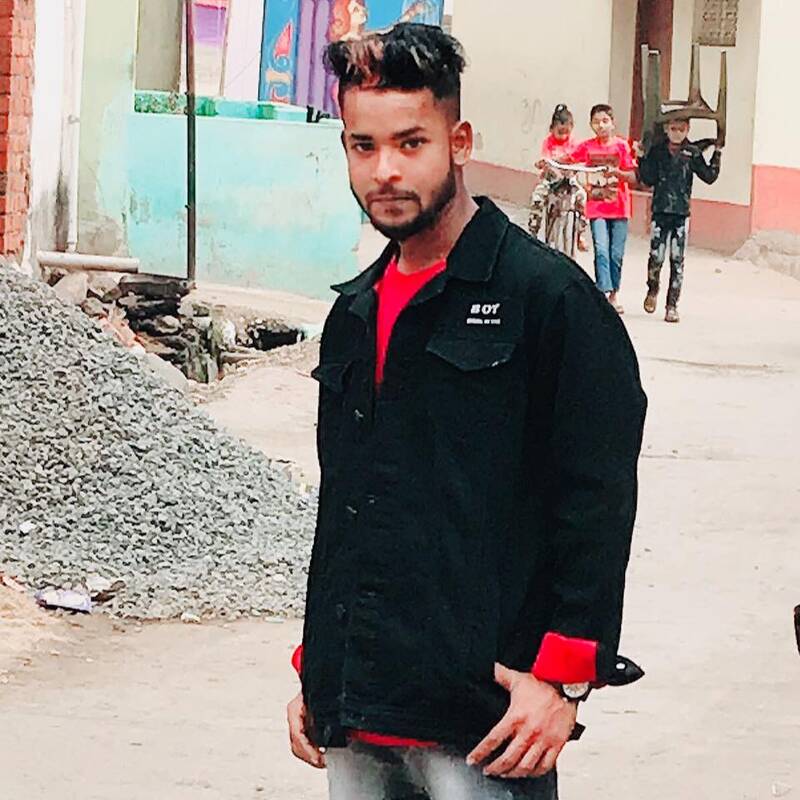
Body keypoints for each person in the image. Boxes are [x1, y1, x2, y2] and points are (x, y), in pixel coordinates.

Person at [287, 23, 647, 800]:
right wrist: (318, 665)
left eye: (410, 143)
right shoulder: (354, 313)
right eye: (363, 146)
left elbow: (596, 500)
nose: (385, 170)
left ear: (459, 142)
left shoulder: (547, 300)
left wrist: (563, 679)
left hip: (484, 727)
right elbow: (348, 505)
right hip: (358, 717)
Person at [637, 118, 722, 323]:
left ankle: (672, 305)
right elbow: (647, 179)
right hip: (660, 211)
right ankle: (652, 289)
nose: (677, 133)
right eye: (673, 129)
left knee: (677, 260)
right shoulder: (658, 150)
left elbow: (709, 176)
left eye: (681, 129)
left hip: (681, 214)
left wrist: (717, 154)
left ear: (688, 130)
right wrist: (641, 158)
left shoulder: (692, 153)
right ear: (667, 129)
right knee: (656, 257)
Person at [570, 104, 637, 314]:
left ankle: (614, 293)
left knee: (616, 254)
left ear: (612, 123)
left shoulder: (622, 147)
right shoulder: (587, 147)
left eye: (605, 121)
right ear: (591, 125)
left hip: (619, 208)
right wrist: (549, 162)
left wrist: (617, 173)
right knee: (600, 250)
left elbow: (633, 176)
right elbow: (569, 159)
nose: (601, 126)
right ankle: (602, 292)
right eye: (596, 122)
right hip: (596, 207)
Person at [528, 104, 588, 251]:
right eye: (559, 132)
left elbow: (579, 158)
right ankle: (533, 229)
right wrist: (544, 164)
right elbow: (546, 158)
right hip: (552, 179)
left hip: (569, 179)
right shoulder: (548, 142)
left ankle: (580, 233)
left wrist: (578, 167)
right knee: (537, 197)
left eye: (566, 132)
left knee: (582, 197)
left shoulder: (574, 143)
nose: (563, 136)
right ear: (552, 129)